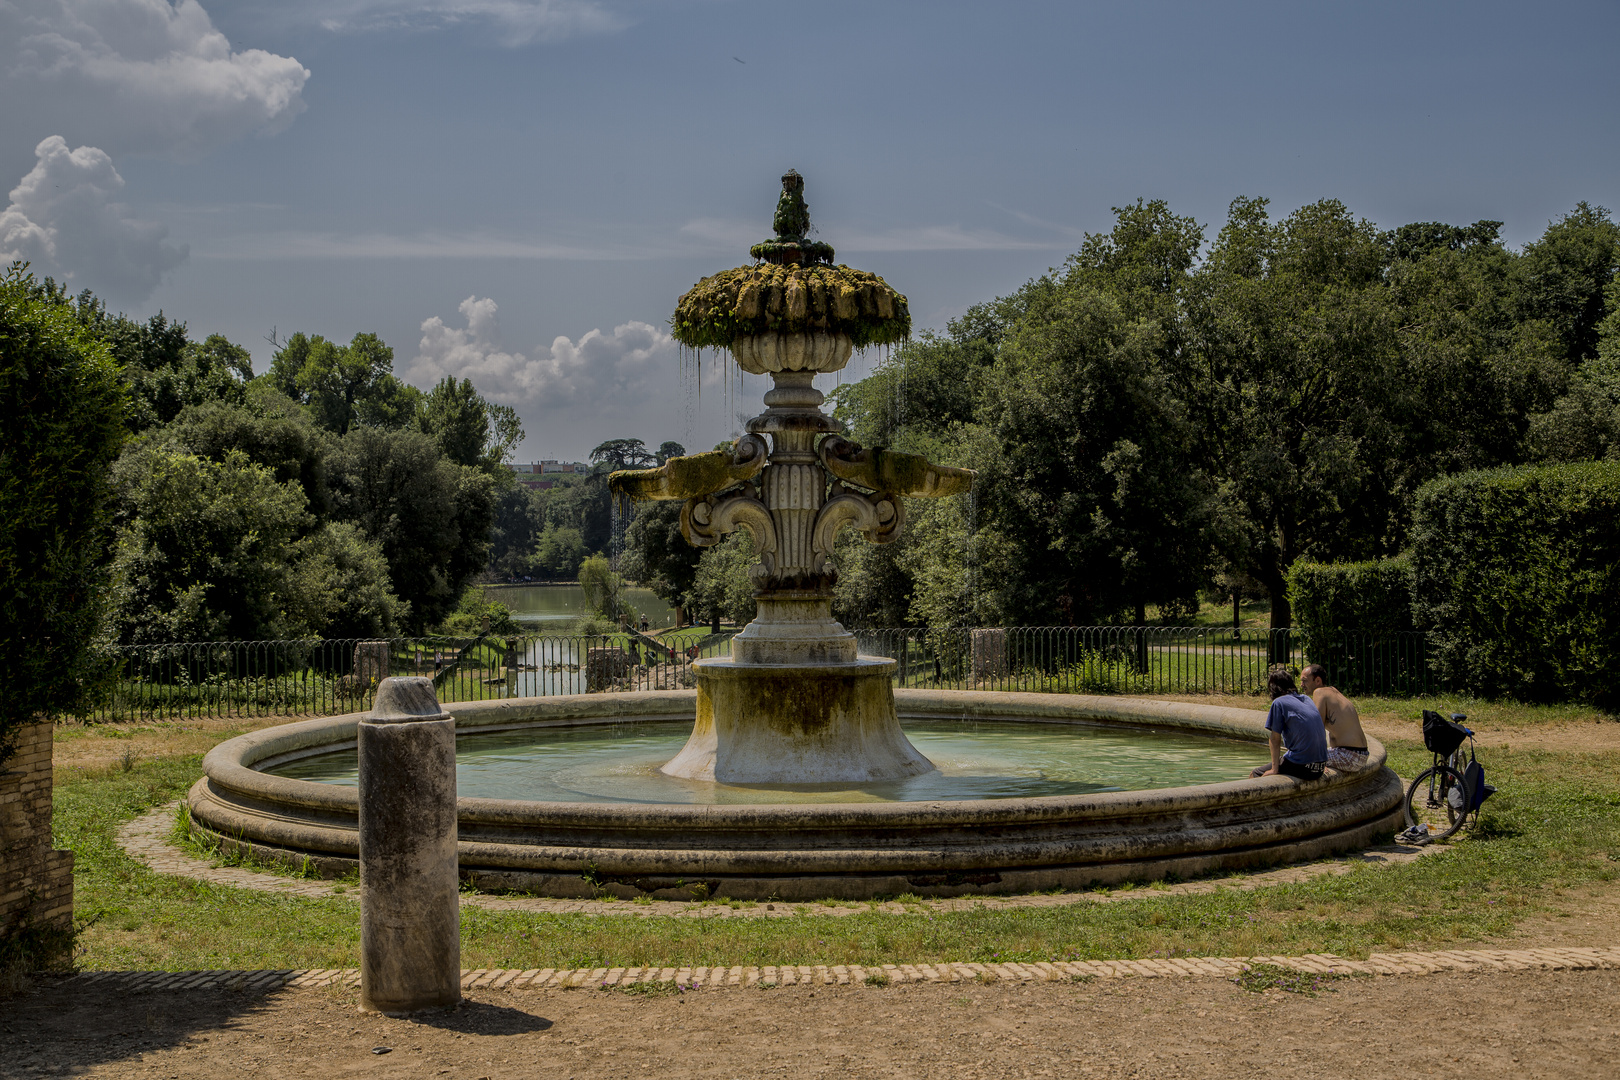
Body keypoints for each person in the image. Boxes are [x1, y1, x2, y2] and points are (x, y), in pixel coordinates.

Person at [1250, 668, 1328, 780]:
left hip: (1302, 767)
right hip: (1319, 768)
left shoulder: (1279, 703)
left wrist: (1274, 769)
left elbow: (1274, 739)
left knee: (1255, 774)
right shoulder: (1306, 699)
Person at [1300, 663, 1370, 772]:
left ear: (1318, 681)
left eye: (1304, 680)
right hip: (1360, 754)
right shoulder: (1332, 691)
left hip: (1349, 756)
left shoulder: (1319, 693)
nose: (1301, 684)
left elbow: (1317, 728)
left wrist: (1319, 760)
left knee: (1296, 758)